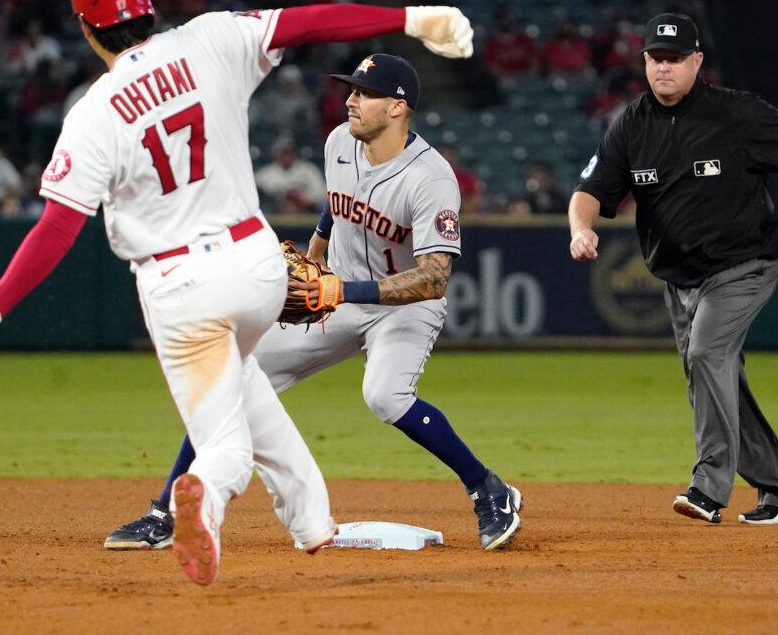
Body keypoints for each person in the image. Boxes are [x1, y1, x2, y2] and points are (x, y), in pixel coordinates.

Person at [0, 0, 474, 585]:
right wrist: (411, 16)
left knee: (225, 445)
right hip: (259, 264)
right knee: (250, 378)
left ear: (86, 29)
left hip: (182, 288)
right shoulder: (211, 38)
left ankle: (198, 502)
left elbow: (58, 227)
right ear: (149, 7)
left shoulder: (93, 113)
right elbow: (310, 22)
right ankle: (311, 518)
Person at [105, 54, 523, 554]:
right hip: (338, 291)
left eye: (364, 93)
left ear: (397, 107)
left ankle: (487, 488)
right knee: (233, 374)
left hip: (404, 303)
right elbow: (335, 205)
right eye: (351, 89)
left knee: (385, 396)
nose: (350, 99)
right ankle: (166, 514)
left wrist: (340, 290)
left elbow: (434, 279)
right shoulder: (339, 142)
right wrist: (315, 260)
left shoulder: (431, 179)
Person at [568, 13, 778, 526]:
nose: (664, 67)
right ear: (644, 62)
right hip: (680, 279)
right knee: (714, 377)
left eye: (675, 58)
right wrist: (580, 228)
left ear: (697, 61)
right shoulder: (630, 124)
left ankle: (708, 487)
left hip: (745, 263)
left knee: (706, 353)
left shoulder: (736, 113)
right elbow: (589, 191)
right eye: (656, 58)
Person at [253, 136, 326, 213]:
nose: (286, 156)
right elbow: (254, 189)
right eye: (283, 152)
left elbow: (322, 194)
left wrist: (304, 198)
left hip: (305, 213)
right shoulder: (266, 173)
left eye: (288, 152)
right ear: (275, 153)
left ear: (294, 153)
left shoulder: (308, 170)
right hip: (276, 214)